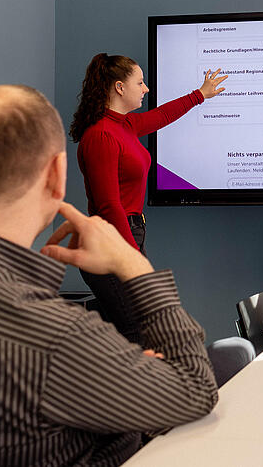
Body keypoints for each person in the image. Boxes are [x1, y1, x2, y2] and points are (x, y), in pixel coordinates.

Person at [0, 85, 218, 466]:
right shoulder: (57, 335)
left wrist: (111, 374)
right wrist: (136, 269)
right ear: (56, 175)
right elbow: (197, 390)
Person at [69, 53, 226, 337]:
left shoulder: (124, 125)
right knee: (140, 333)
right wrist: (134, 259)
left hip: (126, 236)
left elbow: (162, 116)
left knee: (140, 332)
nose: (146, 89)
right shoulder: (101, 136)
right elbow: (109, 206)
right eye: (140, 82)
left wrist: (200, 94)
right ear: (119, 87)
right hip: (110, 244)